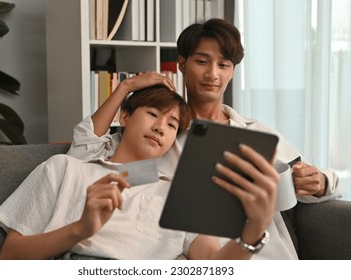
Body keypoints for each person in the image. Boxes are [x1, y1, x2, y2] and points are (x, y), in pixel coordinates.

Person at [67, 18, 341, 259]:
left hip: (267, 256)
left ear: (232, 72)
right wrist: (125, 86)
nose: (213, 74)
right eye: (202, 61)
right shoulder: (155, 137)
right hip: (198, 256)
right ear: (182, 64)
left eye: (224, 64)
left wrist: (319, 181)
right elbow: (85, 154)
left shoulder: (254, 132)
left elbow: (326, 182)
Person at [0, 86, 279, 260]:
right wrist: (80, 229)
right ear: (125, 117)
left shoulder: (182, 194)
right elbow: (9, 257)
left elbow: (214, 265)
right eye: (153, 114)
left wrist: (253, 231)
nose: (159, 128)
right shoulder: (64, 169)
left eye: (171, 125)